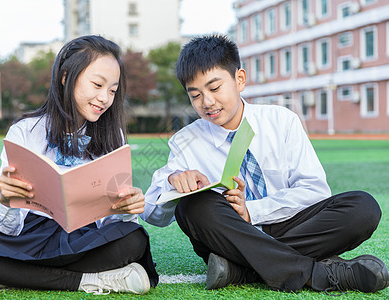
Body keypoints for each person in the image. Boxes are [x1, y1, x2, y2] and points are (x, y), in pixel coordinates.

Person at [141, 34, 388, 294]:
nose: (207, 102)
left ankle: (242, 269)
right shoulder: (186, 141)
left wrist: (253, 211)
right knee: (192, 205)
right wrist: (173, 182)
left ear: (239, 80)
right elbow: (152, 214)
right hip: (228, 233)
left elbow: (315, 191)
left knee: (363, 207)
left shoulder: (281, 121)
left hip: (288, 223)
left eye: (214, 88)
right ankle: (318, 275)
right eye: (195, 95)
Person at [0, 35, 158, 295]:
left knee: (133, 239)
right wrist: (6, 198)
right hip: (30, 239)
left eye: (112, 90)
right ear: (65, 76)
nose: (105, 98)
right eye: (97, 84)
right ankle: (91, 280)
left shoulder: (114, 137)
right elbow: (6, 228)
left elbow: (114, 222)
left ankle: (9, 276)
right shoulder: (24, 132)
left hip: (86, 239)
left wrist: (128, 208)